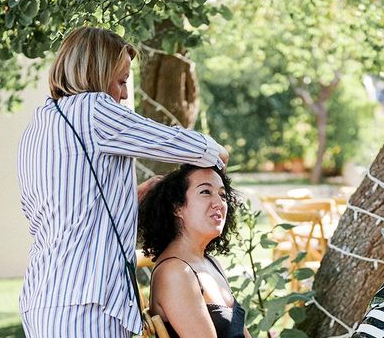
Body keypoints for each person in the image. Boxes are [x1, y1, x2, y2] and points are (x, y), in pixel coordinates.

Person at [17, 27, 228, 337]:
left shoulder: (38, 126)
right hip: (85, 307)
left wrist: (129, 198)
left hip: (45, 298)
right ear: (98, 74)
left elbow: (64, 211)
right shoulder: (93, 110)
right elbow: (180, 144)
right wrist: (216, 152)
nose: (124, 94)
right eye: (121, 81)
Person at [139, 164, 251, 338]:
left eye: (222, 194)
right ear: (177, 207)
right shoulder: (175, 273)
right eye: (205, 192)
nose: (219, 203)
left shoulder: (210, 262)